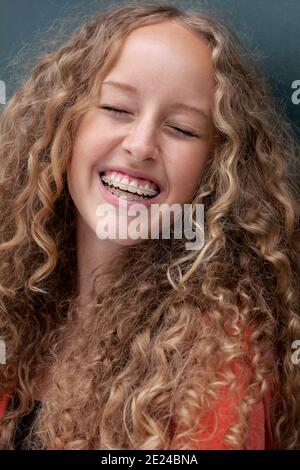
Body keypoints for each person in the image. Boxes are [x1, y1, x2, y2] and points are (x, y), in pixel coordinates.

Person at [0, 1, 299, 450]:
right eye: (118, 109)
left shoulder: (216, 351)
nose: (141, 146)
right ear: (64, 121)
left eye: (181, 129)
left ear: (216, 166)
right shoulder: (17, 300)